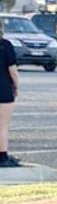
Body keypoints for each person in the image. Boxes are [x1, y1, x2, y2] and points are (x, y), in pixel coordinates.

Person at [0, 18, 20, 167]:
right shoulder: (5, 45)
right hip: (3, 89)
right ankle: (2, 156)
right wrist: (16, 86)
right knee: (2, 125)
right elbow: (13, 71)